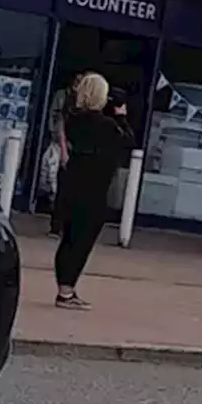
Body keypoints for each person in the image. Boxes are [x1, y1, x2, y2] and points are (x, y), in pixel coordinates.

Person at [53, 74, 134, 310]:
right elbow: (127, 141)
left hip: (74, 180)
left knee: (69, 237)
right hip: (94, 187)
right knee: (82, 240)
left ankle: (64, 287)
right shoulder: (105, 124)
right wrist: (121, 117)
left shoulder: (73, 118)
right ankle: (67, 291)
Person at [48, 73, 84, 238]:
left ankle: (63, 224)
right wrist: (62, 145)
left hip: (75, 149)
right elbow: (58, 120)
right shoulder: (67, 99)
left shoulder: (84, 104)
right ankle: (56, 225)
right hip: (64, 146)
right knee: (57, 182)